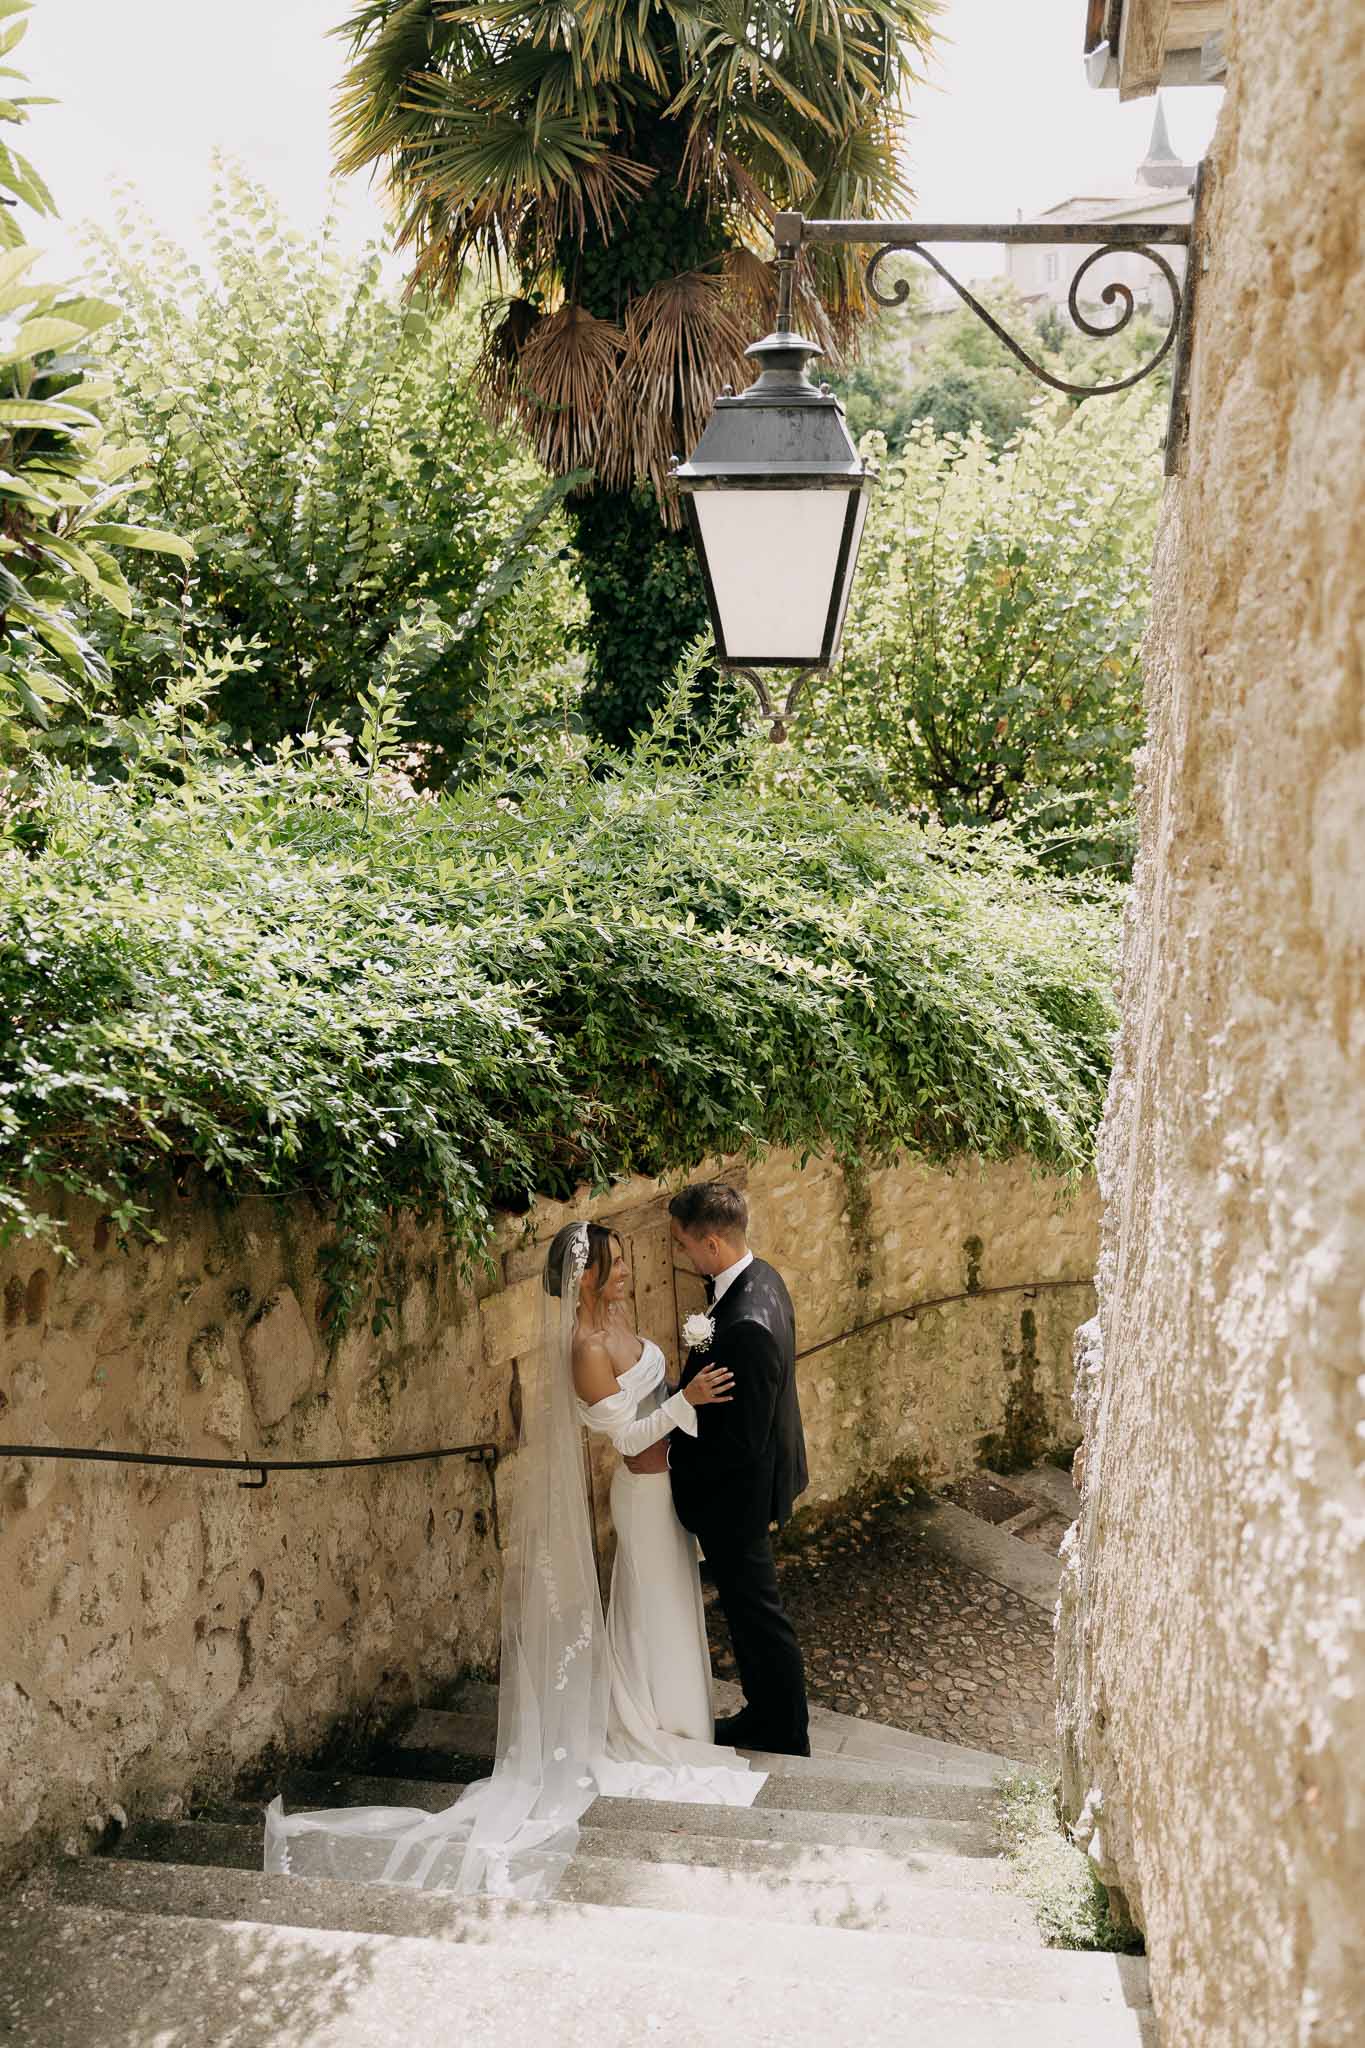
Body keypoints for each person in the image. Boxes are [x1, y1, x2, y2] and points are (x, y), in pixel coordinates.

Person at [264, 1217, 762, 1902]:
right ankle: (661, 1726)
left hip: (669, 1485)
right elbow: (626, 1434)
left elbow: (652, 1397)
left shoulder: (618, 1323)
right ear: (583, 1278)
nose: (624, 1273)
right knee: (656, 1609)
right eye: (613, 1266)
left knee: (672, 1609)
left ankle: (676, 1718)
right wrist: (687, 1401)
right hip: (643, 1495)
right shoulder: (584, 1347)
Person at [667, 1181, 811, 1757]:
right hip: (754, 1482)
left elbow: (742, 1442)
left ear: (712, 1245)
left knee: (758, 1616)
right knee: (751, 1612)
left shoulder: (746, 1323)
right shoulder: (762, 1276)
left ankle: (785, 1733)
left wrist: (680, 1458)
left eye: (683, 1245)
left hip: (737, 1498)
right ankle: (764, 1715)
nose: (681, 1255)